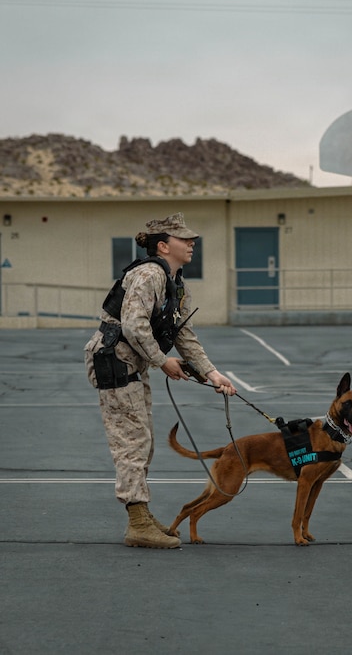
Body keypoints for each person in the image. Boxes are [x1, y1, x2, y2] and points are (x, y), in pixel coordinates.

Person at [84, 212, 236, 549]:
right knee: (132, 443)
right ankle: (137, 523)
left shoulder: (175, 283)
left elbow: (185, 336)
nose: (192, 243)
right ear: (164, 246)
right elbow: (133, 325)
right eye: (185, 239)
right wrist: (162, 360)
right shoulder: (149, 274)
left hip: (133, 364)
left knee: (143, 441)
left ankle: (141, 513)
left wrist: (212, 373)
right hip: (116, 362)